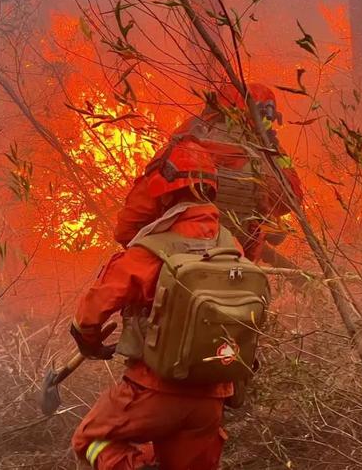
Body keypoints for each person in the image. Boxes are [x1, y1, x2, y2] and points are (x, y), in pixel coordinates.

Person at [70, 169, 237, 470]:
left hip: (155, 388)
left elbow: (92, 310)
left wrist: (89, 340)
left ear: (166, 196)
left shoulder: (152, 250)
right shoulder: (231, 246)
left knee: (90, 441)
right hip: (212, 396)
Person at [114, 83, 303, 261]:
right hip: (236, 272)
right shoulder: (262, 164)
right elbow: (290, 201)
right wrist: (275, 150)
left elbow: (129, 226)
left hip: (176, 270)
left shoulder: (181, 152)